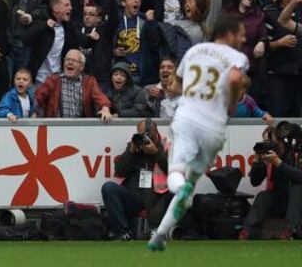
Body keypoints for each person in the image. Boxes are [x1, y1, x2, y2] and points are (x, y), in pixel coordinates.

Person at [148, 16, 248, 251]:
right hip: (211, 125)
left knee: (176, 172)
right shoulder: (236, 58)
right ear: (229, 33)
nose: (244, 39)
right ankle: (160, 235)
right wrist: (231, 104)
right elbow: (234, 78)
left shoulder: (194, 51)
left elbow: (180, 82)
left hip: (186, 118)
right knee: (191, 182)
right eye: (241, 33)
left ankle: (174, 189)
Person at [101, 118, 171, 240]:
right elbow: (120, 171)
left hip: (157, 197)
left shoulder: (164, 147)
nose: (144, 139)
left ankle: (158, 228)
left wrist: (155, 153)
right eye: (141, 135)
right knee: (108, 188)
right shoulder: (133, 147)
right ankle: (124, 230)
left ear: (156, 133)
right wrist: (131, 152)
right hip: (133, 196)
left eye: (148, 135)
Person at [240, 124, 302, 240]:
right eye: (265, 142)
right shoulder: (268, 157)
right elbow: (255, 182)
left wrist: (279, 163)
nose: (268, 145)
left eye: (270, 142)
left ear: (281, 142)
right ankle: (247, 232)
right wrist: (258, 162)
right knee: (263, 196)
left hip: (297, 202)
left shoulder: (295, 153)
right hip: (281, 202)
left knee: (297, 189)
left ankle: (289, 231)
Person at [34, 49, 113, 120]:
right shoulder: (53, 80)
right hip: (57, 128)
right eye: (67, 60)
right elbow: (37, 97)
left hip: (81, 128)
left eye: (74, 60)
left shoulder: (89, 81)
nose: (70, 62)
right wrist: (34, 111)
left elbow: (100, 97)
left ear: (82, 66)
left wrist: (105, 108)